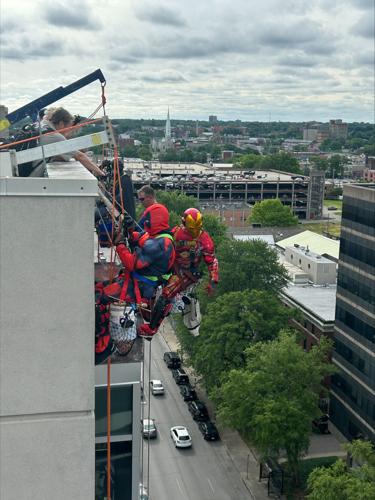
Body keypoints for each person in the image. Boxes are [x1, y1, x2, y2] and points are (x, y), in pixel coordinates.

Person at [95, 203, 175, 339]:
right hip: (138, 282)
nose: (145, 225)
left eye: (148, 222)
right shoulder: (161, 238)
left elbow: (131, 263)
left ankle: (102, 343)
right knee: (97, 287)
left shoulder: (161, 245)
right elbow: (142, 238)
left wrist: (120, 245)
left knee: (100, 297)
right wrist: (131, 229)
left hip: (141, 287)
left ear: (153, 222)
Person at [139, 207, 219, 337]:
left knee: (166, 295)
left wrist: (213, 281)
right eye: (192, 228)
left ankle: (152, 328)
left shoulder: (205, 240)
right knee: (148, 274)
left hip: (186, 273)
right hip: (171, 266)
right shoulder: (176, 232)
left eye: (197, 228)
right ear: (184, 224)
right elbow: (163, 241)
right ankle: (146, 303)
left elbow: (212, 261)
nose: (195, 232)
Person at [30, 107, 104, 177]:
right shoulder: (55, 136)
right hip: (30, 177)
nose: (68, 131)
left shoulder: (42, 125)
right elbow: (80, 156)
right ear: (61, 124)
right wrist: (100, 173)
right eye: (68, 127)